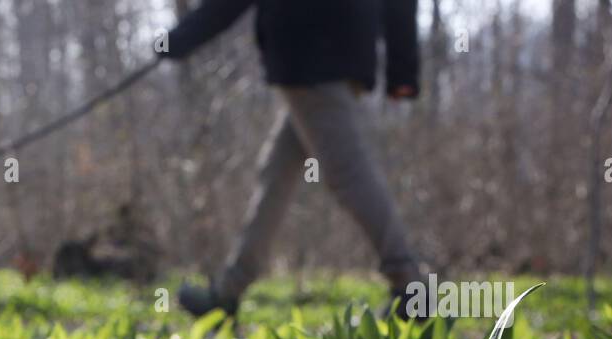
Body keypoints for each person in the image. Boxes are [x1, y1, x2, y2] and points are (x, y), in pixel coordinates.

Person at [162, 0, 426, 320]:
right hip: (338, 55)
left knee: (348, 174)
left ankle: (411, 286)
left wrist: (180, 39)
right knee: (277, 175)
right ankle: (228, 292)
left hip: (309, 55)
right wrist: (402, 69)